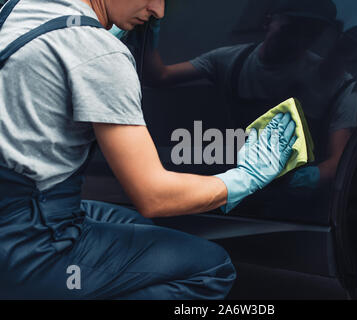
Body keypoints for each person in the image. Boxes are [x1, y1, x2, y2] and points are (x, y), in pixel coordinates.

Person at [0, 0, 296, 299]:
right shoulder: (99, 52)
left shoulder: (20, 7)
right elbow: (154, 196)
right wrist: (246, 178)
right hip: (28, 242)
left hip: (15, 206)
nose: (159, 11)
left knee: (136, 226)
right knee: (211, 267)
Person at [142, 0, 357, 193]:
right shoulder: (228, 61)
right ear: (268, 22)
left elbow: (338, 160)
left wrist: (308, 179)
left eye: (310, 33)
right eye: (290, 29)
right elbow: (159, 76)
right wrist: (146, 36)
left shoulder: (338, 85)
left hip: (294, 201)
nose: (297, 40)